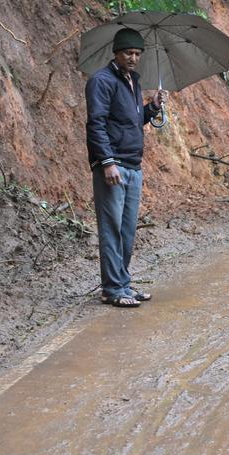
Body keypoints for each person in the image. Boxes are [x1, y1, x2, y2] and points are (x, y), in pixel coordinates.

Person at [85, 27, 167, 308]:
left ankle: (123, 283)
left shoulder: (133, 81)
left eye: (137, 54)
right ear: (116, 53)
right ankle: (112, 288)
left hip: (133, 164)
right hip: (114, 165)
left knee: (128, 228)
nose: (133, 58)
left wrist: (151, 108)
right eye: (128, 53)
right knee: (112, 228)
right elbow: (96, 124)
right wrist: (106, 162)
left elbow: (130, 122)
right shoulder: (101, 81)